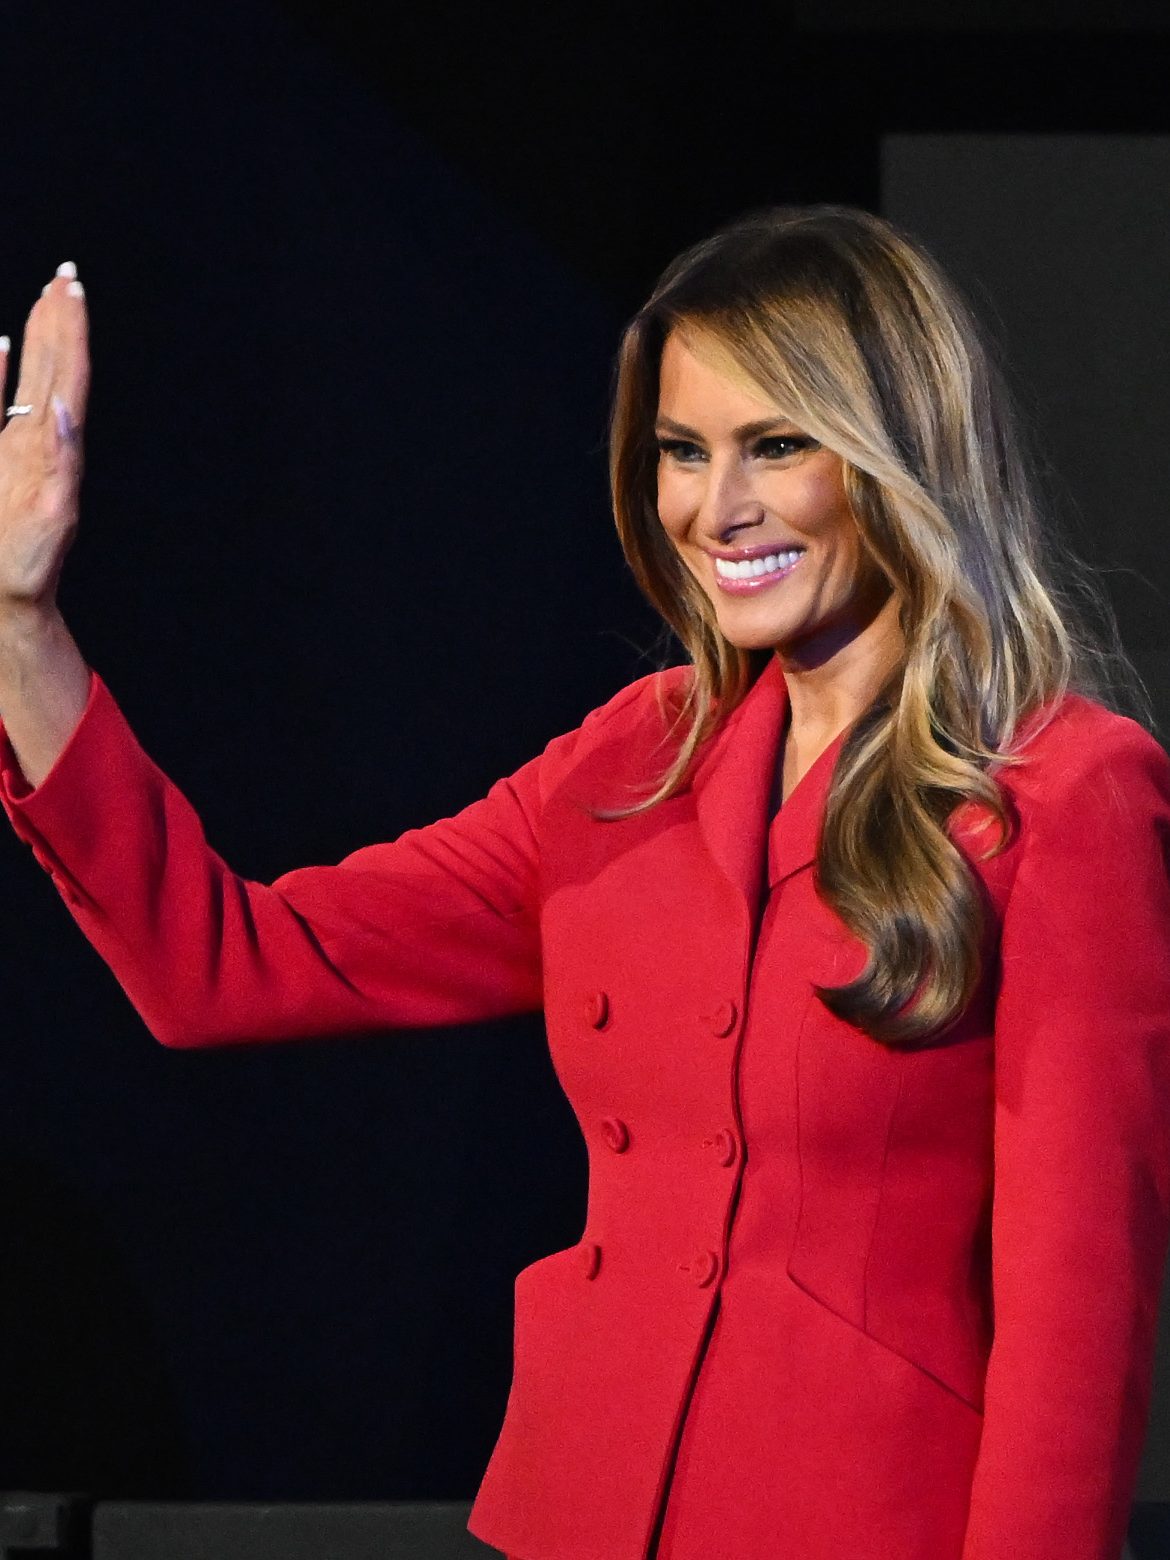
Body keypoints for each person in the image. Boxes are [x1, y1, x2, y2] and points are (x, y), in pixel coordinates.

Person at [0, 205, 1167, 1560]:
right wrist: (24, 624)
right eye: (681, 451)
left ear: (893, 456)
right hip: (574, 1518)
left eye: (773, 445)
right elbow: (225, 967)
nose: (711, 508)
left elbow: (1073, 1322)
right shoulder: (627, 764)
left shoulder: (1064, 795)